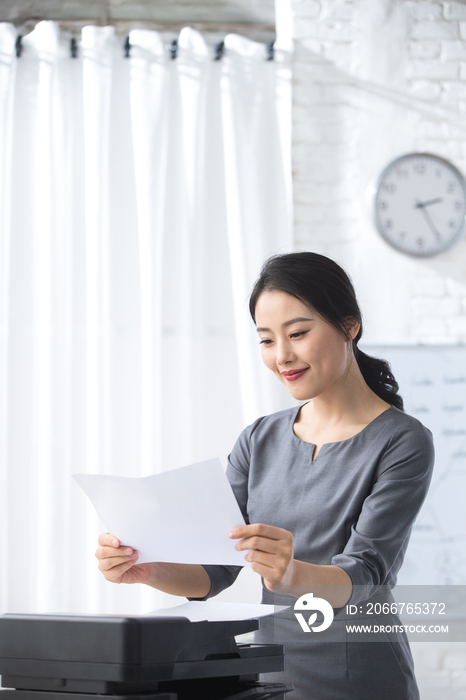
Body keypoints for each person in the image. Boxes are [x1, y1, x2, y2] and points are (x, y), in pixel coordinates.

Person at [95, 252, 434, 700]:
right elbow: (217, 568)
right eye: (266, 340)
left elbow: (367, 572)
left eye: (297, 334)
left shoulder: (401, 441)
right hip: (268, 677)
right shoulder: (259, 439)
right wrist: (148, 568)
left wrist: (291, 574)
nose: (282, 356)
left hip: (361, 679)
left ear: (349, 325)